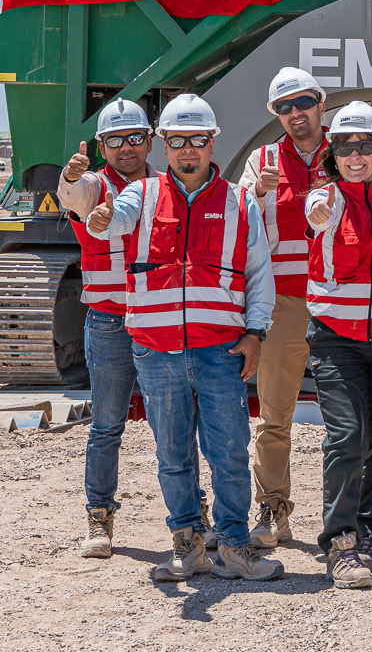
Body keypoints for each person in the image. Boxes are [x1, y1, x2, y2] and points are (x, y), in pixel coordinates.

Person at [88, 93, 281, 584]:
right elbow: (120, 215)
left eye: (198, 141)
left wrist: (256, 332)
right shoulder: (144, 194)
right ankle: (187, 545)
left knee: (230, 452)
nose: (188, 151)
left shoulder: (239, 202)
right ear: (166, 145)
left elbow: (259, 274)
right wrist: (105, 219)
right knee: (173, 454)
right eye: (178, 142)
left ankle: (235, 548)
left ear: (213, 142)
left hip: (220, 350)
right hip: (157, 351)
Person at [299, 102, 372, 590]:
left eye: (364, 146)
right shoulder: (323, 198)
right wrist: (320, 212)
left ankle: (371, 531)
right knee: (346, 438)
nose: (354, 155)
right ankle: (341, 543)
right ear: (334, 153)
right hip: (335, 340)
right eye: (345, 147)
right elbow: (313, 217)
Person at [236, 66, 330, 548]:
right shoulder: (263, 159)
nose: (296, 113)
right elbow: (237, 213)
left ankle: (349, 518)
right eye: (284, 108)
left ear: (321, 103)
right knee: (275, 415)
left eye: (303, 103)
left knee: (353, 417)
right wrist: (257, 191)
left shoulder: (351, 149)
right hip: (286, 302)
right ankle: (273, 508)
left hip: (341, 300)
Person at [57, 98, 154, 559]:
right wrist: (71, 176)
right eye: (115, 140)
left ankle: (194, 518)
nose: (126, 148)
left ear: (149, 140)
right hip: (111, 320)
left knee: (174, 425)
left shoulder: (164, 185)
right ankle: (99, 519)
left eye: (134, 138)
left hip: (159, 319)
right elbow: (73, 197)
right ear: (101, 146)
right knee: (108, 424)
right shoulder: (94, 187)